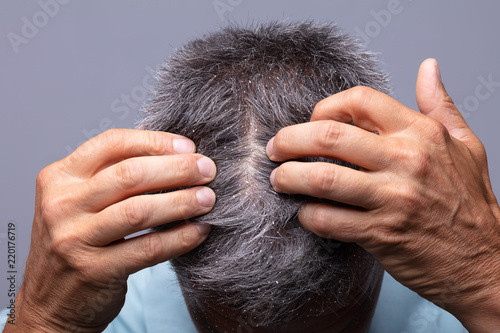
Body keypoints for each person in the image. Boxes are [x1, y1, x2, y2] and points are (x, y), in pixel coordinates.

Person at [2, 22, 499, 333]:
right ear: (172, 257)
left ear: (376, 238)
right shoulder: (85, 316)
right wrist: (48, 322)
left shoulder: (466, 302)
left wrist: (484, 279)